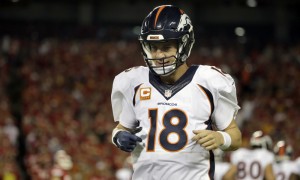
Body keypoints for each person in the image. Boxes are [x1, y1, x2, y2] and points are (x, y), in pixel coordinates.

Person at [111, 4, 242, 180]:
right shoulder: (133, 81)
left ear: (185, 44)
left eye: (166, 47)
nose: (158, 55)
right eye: (153, 47)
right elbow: (120, 129)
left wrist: (221, 138)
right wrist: (118, 136)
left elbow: (235, 137)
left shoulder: (209, 81)